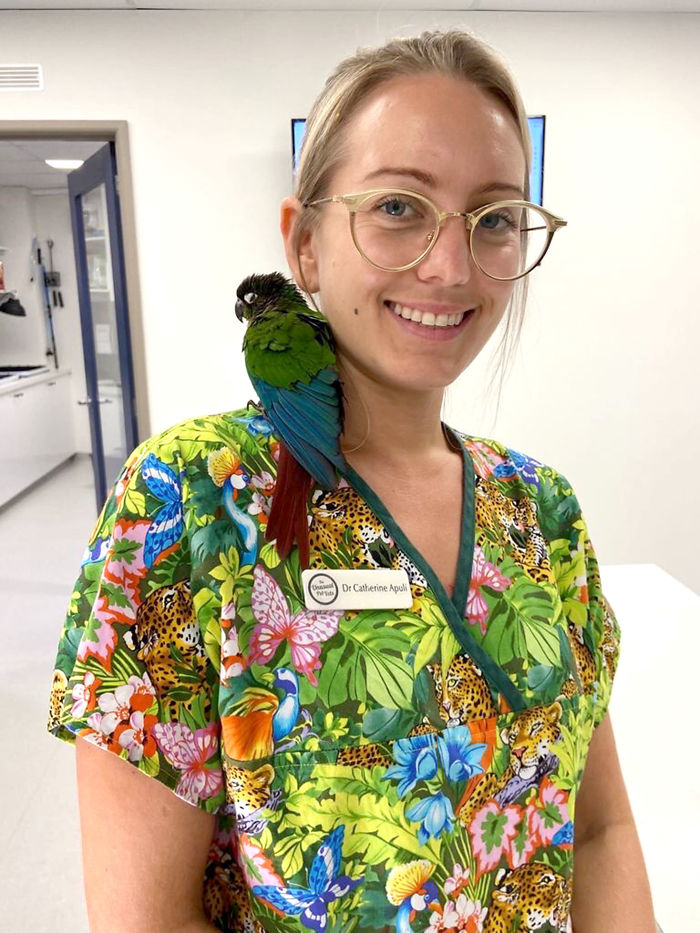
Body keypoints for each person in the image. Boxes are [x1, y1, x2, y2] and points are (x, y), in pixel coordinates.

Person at [47, 28, 657, 933]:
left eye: (493, 218)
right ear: (304, 246)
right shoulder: (191, 500)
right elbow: (148, 918)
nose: (450, 267)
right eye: (400, 207)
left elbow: (598, 830)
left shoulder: (543, 511)